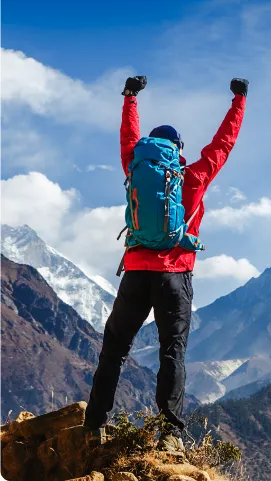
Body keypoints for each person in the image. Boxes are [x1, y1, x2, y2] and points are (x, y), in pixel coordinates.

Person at [84, 75, 248, 443]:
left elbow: (128, 137)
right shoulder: (194, 176)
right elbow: (225, 143)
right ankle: (169, 435)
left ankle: (94, 425)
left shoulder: (134, 167)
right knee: (172, 352)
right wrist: (239, 100)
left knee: (114, 351)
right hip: (175, 276)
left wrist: (130, 97)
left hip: (136, 273)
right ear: (178, 150)